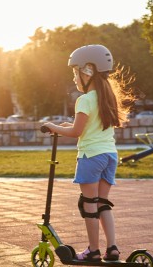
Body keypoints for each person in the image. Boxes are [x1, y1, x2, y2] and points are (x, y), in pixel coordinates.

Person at [42, 44, 134, 262]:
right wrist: (67, 125)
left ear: (88, 70)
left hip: (91, 156)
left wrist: (53, 127)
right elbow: (86, 126)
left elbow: (76, 132)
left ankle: (93, 250)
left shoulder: (84, 99)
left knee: (89, 203)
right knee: (103, 203)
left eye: (76, 72)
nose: (74, 78)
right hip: (109, 155)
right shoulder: (107, 97)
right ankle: (112, 249)